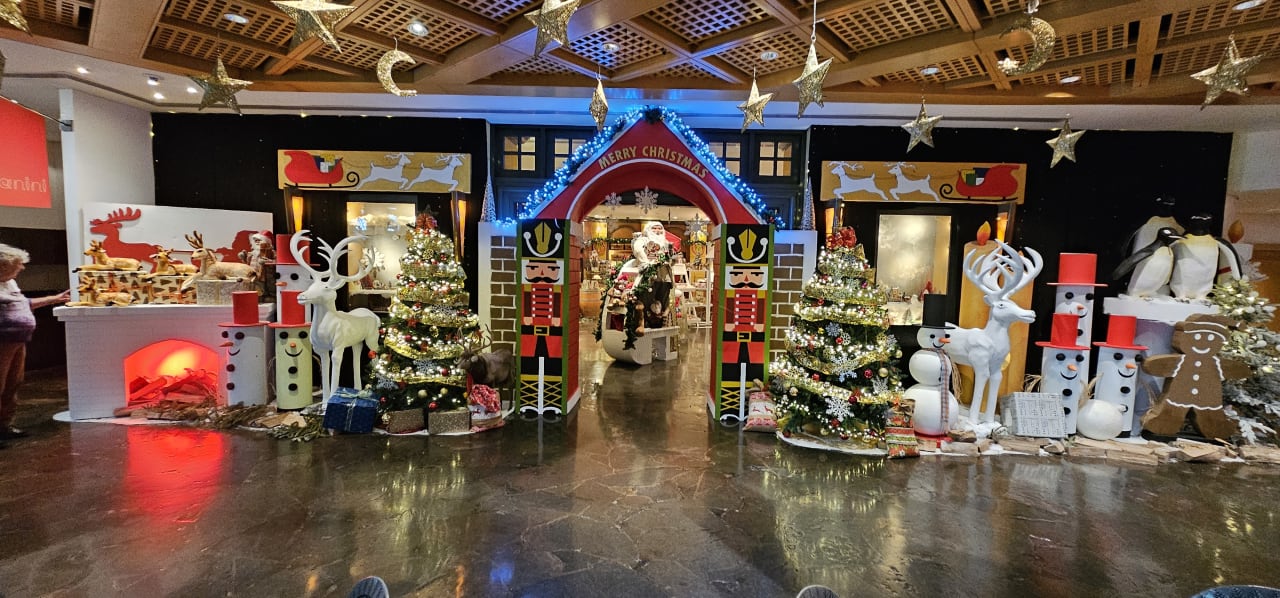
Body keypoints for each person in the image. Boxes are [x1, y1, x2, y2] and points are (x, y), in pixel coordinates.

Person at [0, 244, 70, 446]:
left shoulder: (10, 283)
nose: (22, 268)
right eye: (17, 264)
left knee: (13, 383)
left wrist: (53, 299)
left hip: (18, 339)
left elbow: (25, 304)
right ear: (3, 266)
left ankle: (4, 425)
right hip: (3, 340)